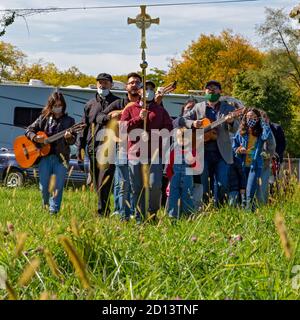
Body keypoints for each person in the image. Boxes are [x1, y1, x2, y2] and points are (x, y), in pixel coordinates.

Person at [178, 80, 239, 207]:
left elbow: (236, 128)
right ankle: (207, 209)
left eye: (215, 88)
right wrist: (193, 123)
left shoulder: (229, 108)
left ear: (220, 91)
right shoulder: (198, 107)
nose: (211, 90)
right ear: (205, 91)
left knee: (223, 184)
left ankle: (221, 209)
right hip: (202, 152)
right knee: (205, 185)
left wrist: (231, 121)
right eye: (208, 88)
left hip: (222, 153)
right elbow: (182, 119)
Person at [120, 77, 173, 222]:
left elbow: (169, 128)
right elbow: (122, 129)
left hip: (154, 155)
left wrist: (158, 137)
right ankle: (139, 217)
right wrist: (138, 119)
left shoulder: (160, 110)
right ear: (140, 91)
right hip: (135, 155)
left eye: (151, 89)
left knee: (155, 185)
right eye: (146, 88)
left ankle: (152, 214)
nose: (148, 91)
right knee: (137, 187)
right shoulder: (130, 109)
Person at [98, 72, 144, 221]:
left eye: (137, 82)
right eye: (131, 82)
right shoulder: (119, 103)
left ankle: (133, 211)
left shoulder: (145, 104)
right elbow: (100, 117)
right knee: (120, 182)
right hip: (122, 146)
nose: (134, 85)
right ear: (126, 86)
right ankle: (120, 210)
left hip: (140, 147)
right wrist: (120, 113)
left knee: (135, 182)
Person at [25, 92, 76, 214]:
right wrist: (35, 137)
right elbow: (29, 130)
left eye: (60, 105)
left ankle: (54, 212)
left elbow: (73, 140)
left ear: (63, 106)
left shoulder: (69, 121)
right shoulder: (43, 118)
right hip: (44, 158)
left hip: (60, 158)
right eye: (55, 105)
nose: (58, 107)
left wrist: (69, 137)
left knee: (57, 187)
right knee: (44, 188)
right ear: (50, 105)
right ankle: (45, 206)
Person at [77, 73, 119, 216]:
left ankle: (103, 212)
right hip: (92, 147)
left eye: (106, 82)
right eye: (100, 82)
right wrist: (80, 148)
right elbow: (84, 127)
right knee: (96, 182)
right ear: (96, 84)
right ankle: (102, 208)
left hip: (109, 148)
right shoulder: (90, 104)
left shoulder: (117, 102)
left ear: (111, 85)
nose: (102, 85)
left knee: (104, 181)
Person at [232, 108, 276, 211]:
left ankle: (248, 213)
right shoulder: (241, 131)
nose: (249, 119)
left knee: (250, 191)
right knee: (241, 191)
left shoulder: (262, 132)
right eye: (247, 117)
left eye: (252, 117)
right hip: (242, 165)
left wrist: (266, 156)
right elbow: (234, 146)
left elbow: (271, 144)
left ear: (257, 118)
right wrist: (239, 149)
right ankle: (246, 212)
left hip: (255, 165)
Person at [166, 128, 199, 219]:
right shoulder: (173, 151)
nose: (182, 141)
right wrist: (171, 178)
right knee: (173, 198)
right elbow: (169, 166)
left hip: (187, 178)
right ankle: (172, 217)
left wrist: (191, 159)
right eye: (180, 139)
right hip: (175, 178)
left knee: (187, 197)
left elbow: (195, 166)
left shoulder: (192, 151)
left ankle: (187, 216)